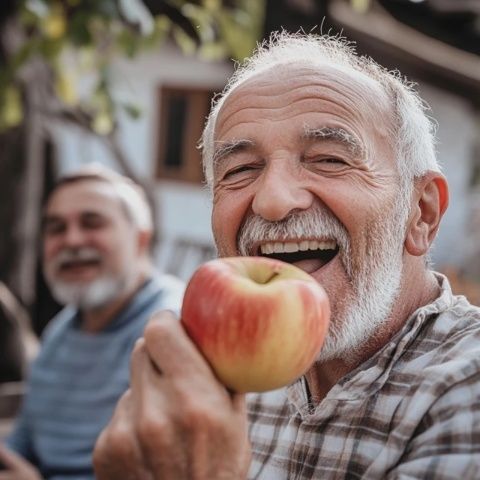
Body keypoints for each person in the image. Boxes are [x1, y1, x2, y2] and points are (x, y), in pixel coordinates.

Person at [92, 32, 480, 479]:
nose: (272, 201)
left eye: (329, 160)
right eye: (240, 170)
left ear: (422, 213)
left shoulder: (464, 383)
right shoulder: (217, 378)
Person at [0, 165, 184, 479]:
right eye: (56, 228)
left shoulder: (170, 327)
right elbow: (26, 441)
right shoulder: (60, 331)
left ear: (141, 239)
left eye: (92, 223)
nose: (71, 240)